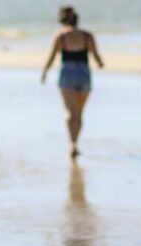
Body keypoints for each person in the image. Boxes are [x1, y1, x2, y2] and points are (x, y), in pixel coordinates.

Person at [41, 5, 105, 159]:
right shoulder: (87, 36)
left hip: (67, 73)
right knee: (80, 113)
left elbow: (52, 57)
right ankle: (76, 143)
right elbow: (97, 58)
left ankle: (72, 144)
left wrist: (45, 71)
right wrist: (101, 64)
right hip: (83, 73)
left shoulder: (61, 36)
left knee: (70, 112)